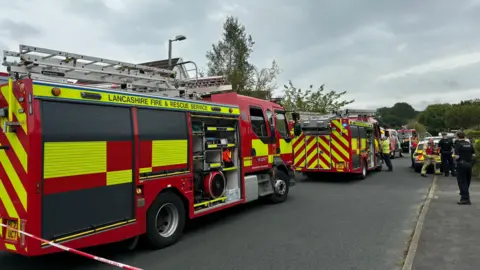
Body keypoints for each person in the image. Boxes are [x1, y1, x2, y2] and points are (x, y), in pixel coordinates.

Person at [454, 131, 476, 205]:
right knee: (467, 181)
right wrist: (471, 163)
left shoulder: (458, 144)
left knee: (462, 182)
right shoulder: (469, 144)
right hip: (469, 165)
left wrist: (457, 161)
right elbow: (474, 155)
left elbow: (457, 156)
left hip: (461, 164)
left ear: (457, 136)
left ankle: (465, 199)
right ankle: (465, 197)